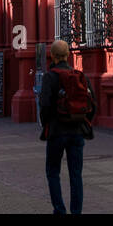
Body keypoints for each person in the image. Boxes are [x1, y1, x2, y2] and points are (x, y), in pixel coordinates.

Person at [38, 39, 96, 215]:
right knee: (76, 175)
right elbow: (92, 105)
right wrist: (83, 121)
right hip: (77, 132)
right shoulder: (80, 76)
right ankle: (76, 211)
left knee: (53, 172)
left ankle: (59, 210)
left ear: (52, 56)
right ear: (68, 55)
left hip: (56, 132)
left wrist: (46, 123)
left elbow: (45, 105)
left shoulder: (50, 77)